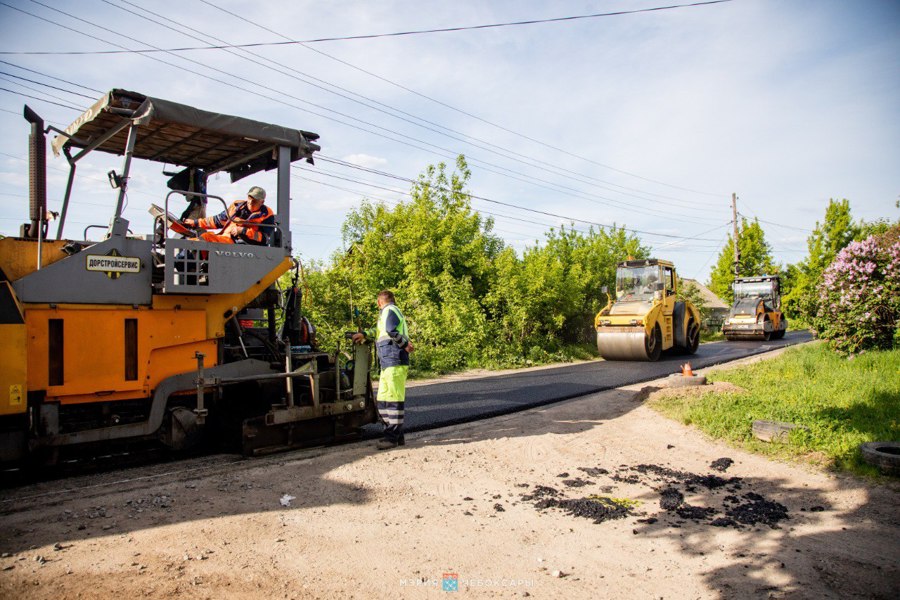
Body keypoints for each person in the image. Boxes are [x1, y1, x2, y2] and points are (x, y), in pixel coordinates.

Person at [352, 290, 414, 450]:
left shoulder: (390, 311)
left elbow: (391, 330)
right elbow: (380, 331)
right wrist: (364, 334)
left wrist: (405, 344)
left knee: (393, 399)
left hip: (395, 360)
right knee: (384, 399)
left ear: (379, 302)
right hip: (388, 362)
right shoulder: (387, 313)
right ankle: (396, 436)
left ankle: (392, 438)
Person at [183, 186, 274, 245]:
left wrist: (244, 231)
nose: (250, 202)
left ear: (262, 201)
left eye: (255, 200)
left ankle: (189, 266)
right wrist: (195, 222)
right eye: (250, 198)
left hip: (243, 245)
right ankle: (184, 264)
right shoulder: (237, 206)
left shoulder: (267, 214)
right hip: (227, 239)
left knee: (206, 238)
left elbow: (265, 239)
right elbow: (218, 220)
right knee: (195, 240)